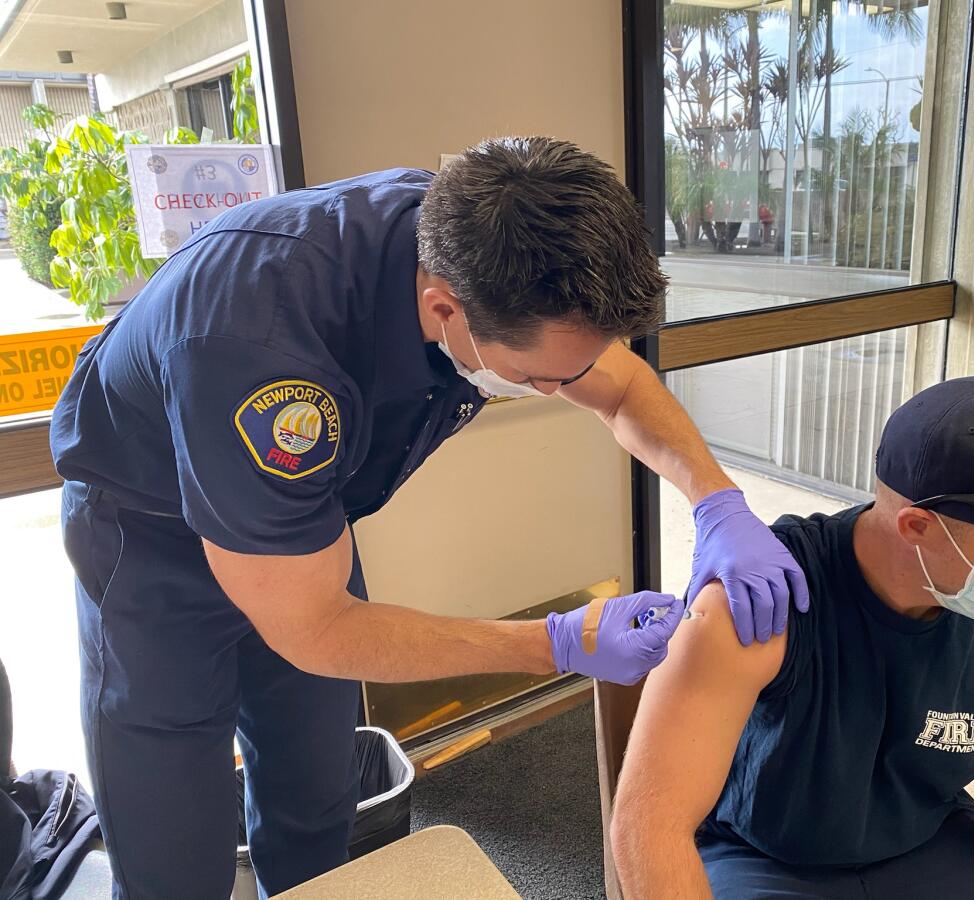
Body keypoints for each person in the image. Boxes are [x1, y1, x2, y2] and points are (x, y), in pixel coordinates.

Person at [49, 137, 805, 899]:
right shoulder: (260, 346)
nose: (559, 390)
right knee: (172, 846)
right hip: (151, 540)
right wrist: (557, 642)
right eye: (538, 377)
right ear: (446, 308)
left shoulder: (483, 241)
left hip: (302, 530)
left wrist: (717, 502)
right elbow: (315, 625)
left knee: (314, 796)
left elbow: (617, 385)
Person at [612, 376, 974, 900]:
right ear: (918, 528)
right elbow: (649, 824)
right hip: (762, 856)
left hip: (927, 840)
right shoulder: (760, 604)